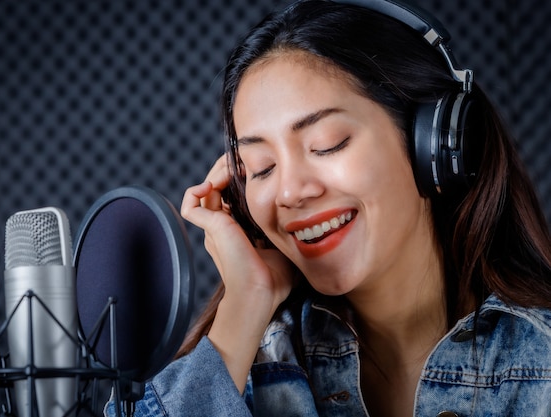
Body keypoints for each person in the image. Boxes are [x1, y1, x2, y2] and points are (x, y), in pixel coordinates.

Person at [106, 0, 551, 416]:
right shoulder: (253, 361)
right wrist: (244, 306)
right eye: (260, 168)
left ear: (434, 143)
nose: (290, 192)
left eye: (328, 144)